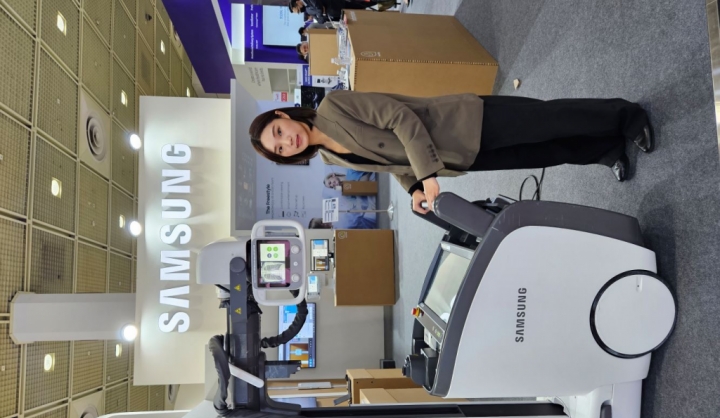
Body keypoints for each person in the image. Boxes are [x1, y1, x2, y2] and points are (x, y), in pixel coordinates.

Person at [249, 91, 654, 214]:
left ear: (283, 115)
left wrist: (426, 174)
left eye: (279, 132)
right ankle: (604, 149)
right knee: (540, 153)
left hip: (462, 122)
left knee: (550, 120)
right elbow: (393, 163)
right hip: (458, 159)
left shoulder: (333, 107)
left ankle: (626, 115)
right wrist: (414, 189)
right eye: (279, 148)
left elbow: (399, 118)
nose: (287, 142)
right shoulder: (329, 158)